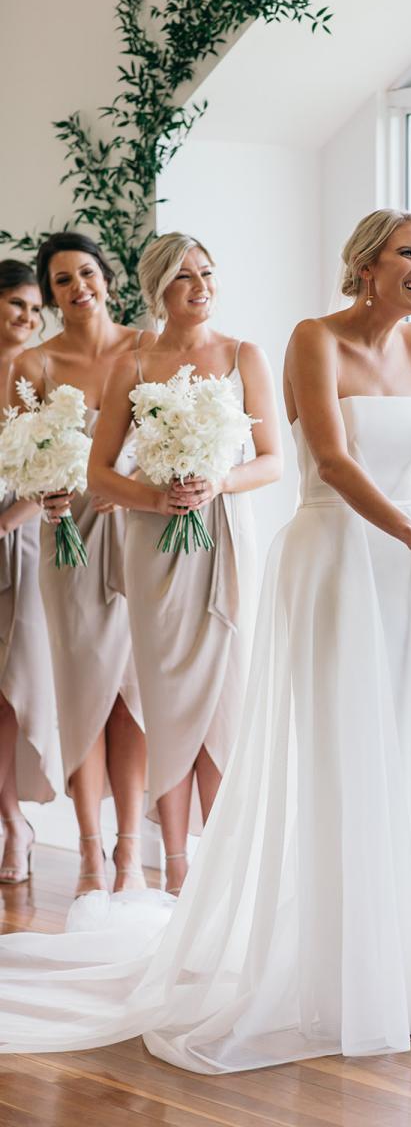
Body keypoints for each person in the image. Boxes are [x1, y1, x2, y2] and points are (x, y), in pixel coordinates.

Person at [0, 209, 411, 1068]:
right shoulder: (305, 339)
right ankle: (284, 940)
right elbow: (332, 459)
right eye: (408, 253)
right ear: (364, 265)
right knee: (327, 748)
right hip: (336, 556)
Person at [88, 232, 282, 896]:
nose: (201, 287)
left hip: (225, 540)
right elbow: (99, 476)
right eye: (183, 278)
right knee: (167, 701)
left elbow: (273, 461)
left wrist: (216, 483)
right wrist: (156, 494)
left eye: (206, 273)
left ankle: (223, 874)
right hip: (154, 548)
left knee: (227, 700)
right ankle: (173, 869)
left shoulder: (242, 355)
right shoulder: (131, 364)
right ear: (157, 290)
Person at [11, 233, 147, 897]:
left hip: (138, 540)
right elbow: (16, 458)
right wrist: (44, 488)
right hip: (70, 542)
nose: (77, 287)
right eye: (62, 280)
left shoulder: (145, 350)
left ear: (108, 279)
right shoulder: (33, 366)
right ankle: (90, 852)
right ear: (50, 292)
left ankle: (130, 852)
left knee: (133, 700)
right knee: (83, 697)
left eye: (86, 273)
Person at [0, 260, 59, 882]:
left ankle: (15, 823)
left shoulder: (43, 378)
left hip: (22, 548)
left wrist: (8, 518)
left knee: (12, 693)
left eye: (35, 308)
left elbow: (59, 466)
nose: (29, 316)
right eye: (18, 304)